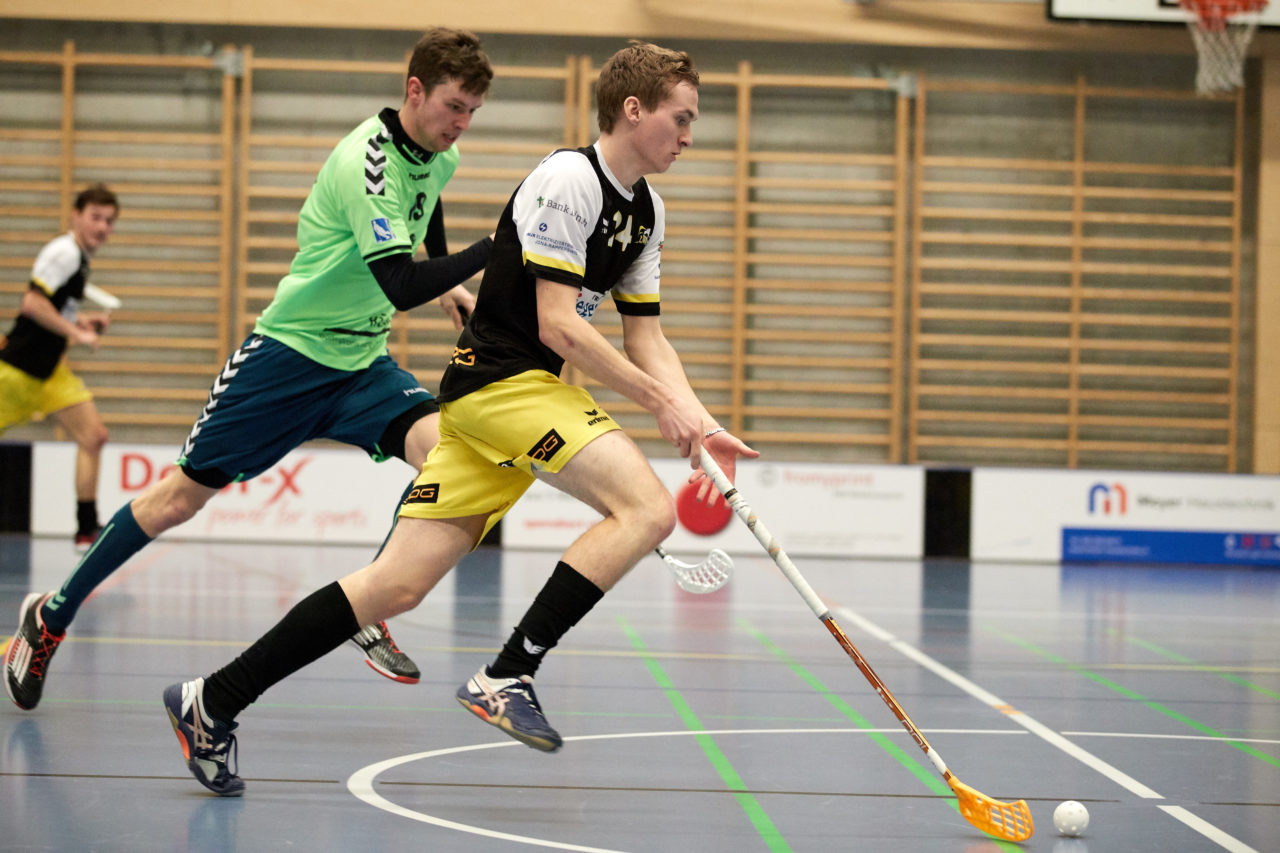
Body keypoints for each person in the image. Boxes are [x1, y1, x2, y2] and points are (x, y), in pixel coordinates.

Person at [161, 40, 758, 797]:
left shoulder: (646, 212)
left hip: (504, 404)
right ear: (634, 111)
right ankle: (509, 672)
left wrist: (702, 422)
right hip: (502, 386)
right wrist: (660, 403)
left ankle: (213, 699)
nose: (690, 137)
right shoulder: (568, 179)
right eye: (682, 118)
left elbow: (647, 337)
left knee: (394, 586)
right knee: (645, 508)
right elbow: (559, 327)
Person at [4, 27, 495, 713]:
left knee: (451, 456)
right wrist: (493, 246)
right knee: (176, 501)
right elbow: (399, 286)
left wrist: (450, 282)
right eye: (453, 107)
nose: (462, 124)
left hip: (360, 364)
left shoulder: (440, 153)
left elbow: (427, 200)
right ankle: (50, 614)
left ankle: (367, 601)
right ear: (415, 91)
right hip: (288, 358)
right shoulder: (367, 162)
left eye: (472, 110)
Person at [0, 184, 118, 552]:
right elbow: (33, 304)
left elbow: (54, 309)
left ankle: (86, 529)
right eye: (95, 217)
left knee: (93, 436)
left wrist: (80, 321)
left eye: (109, 221)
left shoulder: (79, 258)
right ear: (75, 216)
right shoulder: (64, 252)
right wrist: (76, 333)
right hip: (17, 371)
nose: (102, 227)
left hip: (51, 373)